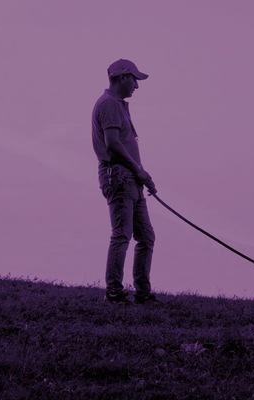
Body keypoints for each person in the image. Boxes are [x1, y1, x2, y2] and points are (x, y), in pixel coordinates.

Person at [91, 59, 160, 305]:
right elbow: (113, 145)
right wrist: (138, 171)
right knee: (122, 234)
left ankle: (142, 293)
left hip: (131, 178)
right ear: (122, 77)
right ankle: (114, 293)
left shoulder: (117, 105)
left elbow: (123, 144)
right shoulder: (109, 104)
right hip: (119, 176)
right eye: (134, 80)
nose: (136, 86)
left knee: (146, 236)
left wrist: (142, 175)